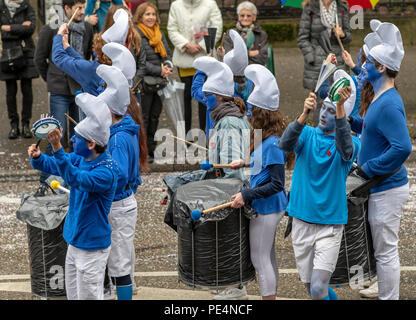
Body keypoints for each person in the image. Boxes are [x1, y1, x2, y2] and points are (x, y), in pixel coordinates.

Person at [28, 91, 118, 300]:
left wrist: (57, 147)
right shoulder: (81, 157)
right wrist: (39, 158)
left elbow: (76, 178)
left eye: (77, 138)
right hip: (75, 240)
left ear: (91, 144)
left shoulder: (106, 171)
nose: (72, 140)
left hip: (92, 246)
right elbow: (58, 165)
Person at [278, 86, 360, 300]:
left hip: (330, 225)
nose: (324, 114)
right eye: (323, 108)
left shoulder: (353, 143)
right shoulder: (306, 134)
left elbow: (345, 149)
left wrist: (340, 107)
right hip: (301, 222)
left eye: (331, 111)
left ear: (343, 116)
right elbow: (284, 144)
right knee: (312, 288)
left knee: (317, 288)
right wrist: (304, 114)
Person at [349, 22, 412, 300]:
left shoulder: (388, 103)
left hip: (386, 187)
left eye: (369, 63)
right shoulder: (381, 97)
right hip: (379, 187)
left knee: (386, 252)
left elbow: (402, 147)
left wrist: (368, 169)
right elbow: (375, 131)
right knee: (381, 250)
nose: (364, 66)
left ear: (382, 68)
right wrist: (353, 122)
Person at [229, 64, 294, 300]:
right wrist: (243, 163)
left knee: (259, 257)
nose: (248, 116)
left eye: (252, 112)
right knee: (267, 255)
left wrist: (246, 196)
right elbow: (260, 165)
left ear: (262, 114)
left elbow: (276, 183)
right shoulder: (261, 135)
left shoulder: (274, 143)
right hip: (265, 205)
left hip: (268, 208)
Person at [193, 56, 250, 300]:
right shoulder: (228, 117)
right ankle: (230, 282)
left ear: (218, 96)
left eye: (208, 96)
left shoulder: (227, 122)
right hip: (231, 187)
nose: (205, 100)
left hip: (231, 189)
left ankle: (234, 287)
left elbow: (231, 167)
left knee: (229, 239)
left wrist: (219, 188)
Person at [33, 0, 95, 197]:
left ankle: (72, 177)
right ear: (67, 9)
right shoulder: (51, 29)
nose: (82, 11)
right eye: (78, 7)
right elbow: (39, 58)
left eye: (84, 7)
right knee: (55, 133)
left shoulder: (87, 27)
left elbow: (85, 56)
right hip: (59, 88)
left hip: (79, 89)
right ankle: (46, 181)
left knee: (79, 133)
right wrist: (50, 79)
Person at [96, 63, 142, 300]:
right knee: (121, 257)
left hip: (118, 202)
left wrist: (96, 177)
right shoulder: (126, 131)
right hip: (124, 200)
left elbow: (120, 173)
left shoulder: (116, 140)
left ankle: (123, 295)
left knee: (119, 265)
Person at [167, 0, 223, 135]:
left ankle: (205, 133)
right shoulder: (176, 5)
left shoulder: (210, 4)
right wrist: (186, 44)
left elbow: (217, 26)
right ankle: (186, 134)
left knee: (205, 97)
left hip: (204, 57)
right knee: (186, 97)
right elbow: (172, 28)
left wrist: (201, 45)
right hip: (184, 58)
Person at [192, 29, 253, 140]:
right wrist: (221, 60)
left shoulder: (216, 94)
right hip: (241, 137)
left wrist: (204, 68)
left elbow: (196, 91)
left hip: (215, 138)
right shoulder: (250, 85)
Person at [298, 0, 352, 124]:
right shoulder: (309, 9)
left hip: (337, 61)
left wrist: (342, 34)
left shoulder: (341, 8)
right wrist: (312, 57)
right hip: (317, 63)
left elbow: (349, 36)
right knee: (319, 101)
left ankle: (336, 136)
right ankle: (319, 133)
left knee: (338, 97)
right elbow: (303, 38)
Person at [133, 2, 173, 162]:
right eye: (147, 14)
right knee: (144, 117)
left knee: (155, 116)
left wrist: (168, 66)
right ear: (140, 16)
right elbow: (139, 59)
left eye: (153, 14)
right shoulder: (136, 33)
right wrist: (159, 70)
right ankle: (142, 151)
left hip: (160, 82)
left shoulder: (159, 33)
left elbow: (167, 54)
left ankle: (151, 149)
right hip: (145, 83)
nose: (151, 17)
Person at [0, 0, 38, 139]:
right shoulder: (1, 6)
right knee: (10, 91)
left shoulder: (27, 6)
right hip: (7, 54)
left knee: (27, 89)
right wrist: (20, 28)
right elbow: (24, 30)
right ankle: (14, 126)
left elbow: (31, 28)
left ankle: (26, 124)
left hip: (25, 52)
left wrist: (8, 28)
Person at [223, 1, 268, 66]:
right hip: (236, 72)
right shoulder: (231, 34)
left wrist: (239, 54)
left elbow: (262, 59)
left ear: (254, 17)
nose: (245, 18)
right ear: (238, 17)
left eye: (249, 16)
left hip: (255, 70)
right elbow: (230, 57)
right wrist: (249, 53)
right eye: (242, 15)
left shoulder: (262, 34)